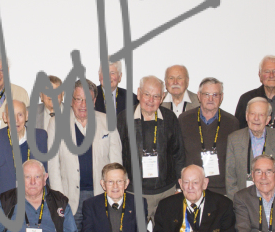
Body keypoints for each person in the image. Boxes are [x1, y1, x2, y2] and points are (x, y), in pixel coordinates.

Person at [49, 82, 122, 211]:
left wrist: (114, 195)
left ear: (94, 101)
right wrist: (59, 199)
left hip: (100, 195)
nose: (83, 105)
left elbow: (116, 162)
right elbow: (53, 165)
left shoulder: (107, 121)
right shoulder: (56, 123)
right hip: (69, 197)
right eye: (79, 99)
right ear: (71, 101)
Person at [129, 76, 186, 207]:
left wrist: (179, 187)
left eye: (156, 96)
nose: (151, 100)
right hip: (134, 193)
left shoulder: (170, 118)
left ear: (162, 98)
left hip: (167, 192)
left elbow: (179, 155)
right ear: (139, 93)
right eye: (147, 94)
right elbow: (117, 155)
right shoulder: (124, 118)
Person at [179, 77, 242, 197]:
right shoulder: (184, 119)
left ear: (221, 97)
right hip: (191, 188)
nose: (210, 99)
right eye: (206, 94)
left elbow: (236, 159)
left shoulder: (232, 122)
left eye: (215, 95)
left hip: (221, 189)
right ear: (199, 96)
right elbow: (178, 155)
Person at [226, 96, 275, 195]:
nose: (256, 118)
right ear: (246, 116)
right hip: (242, 200)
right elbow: (230, 178)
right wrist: (237, 202)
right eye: (252, 113)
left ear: (268, 119)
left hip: (273, 199)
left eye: (261, 114)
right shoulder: (234, 139)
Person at [0, 100, 48, 197]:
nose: (16, 120)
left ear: (27, 116)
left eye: (20, 115)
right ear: (5, 117)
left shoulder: (40, 137)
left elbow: (46, 174)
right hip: (6, 202)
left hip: (35, 201)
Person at [233, 54, 275, 128]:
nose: (271, 75)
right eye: (267, 72)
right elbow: (238, 130)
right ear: (260, 75)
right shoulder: (247, 99)